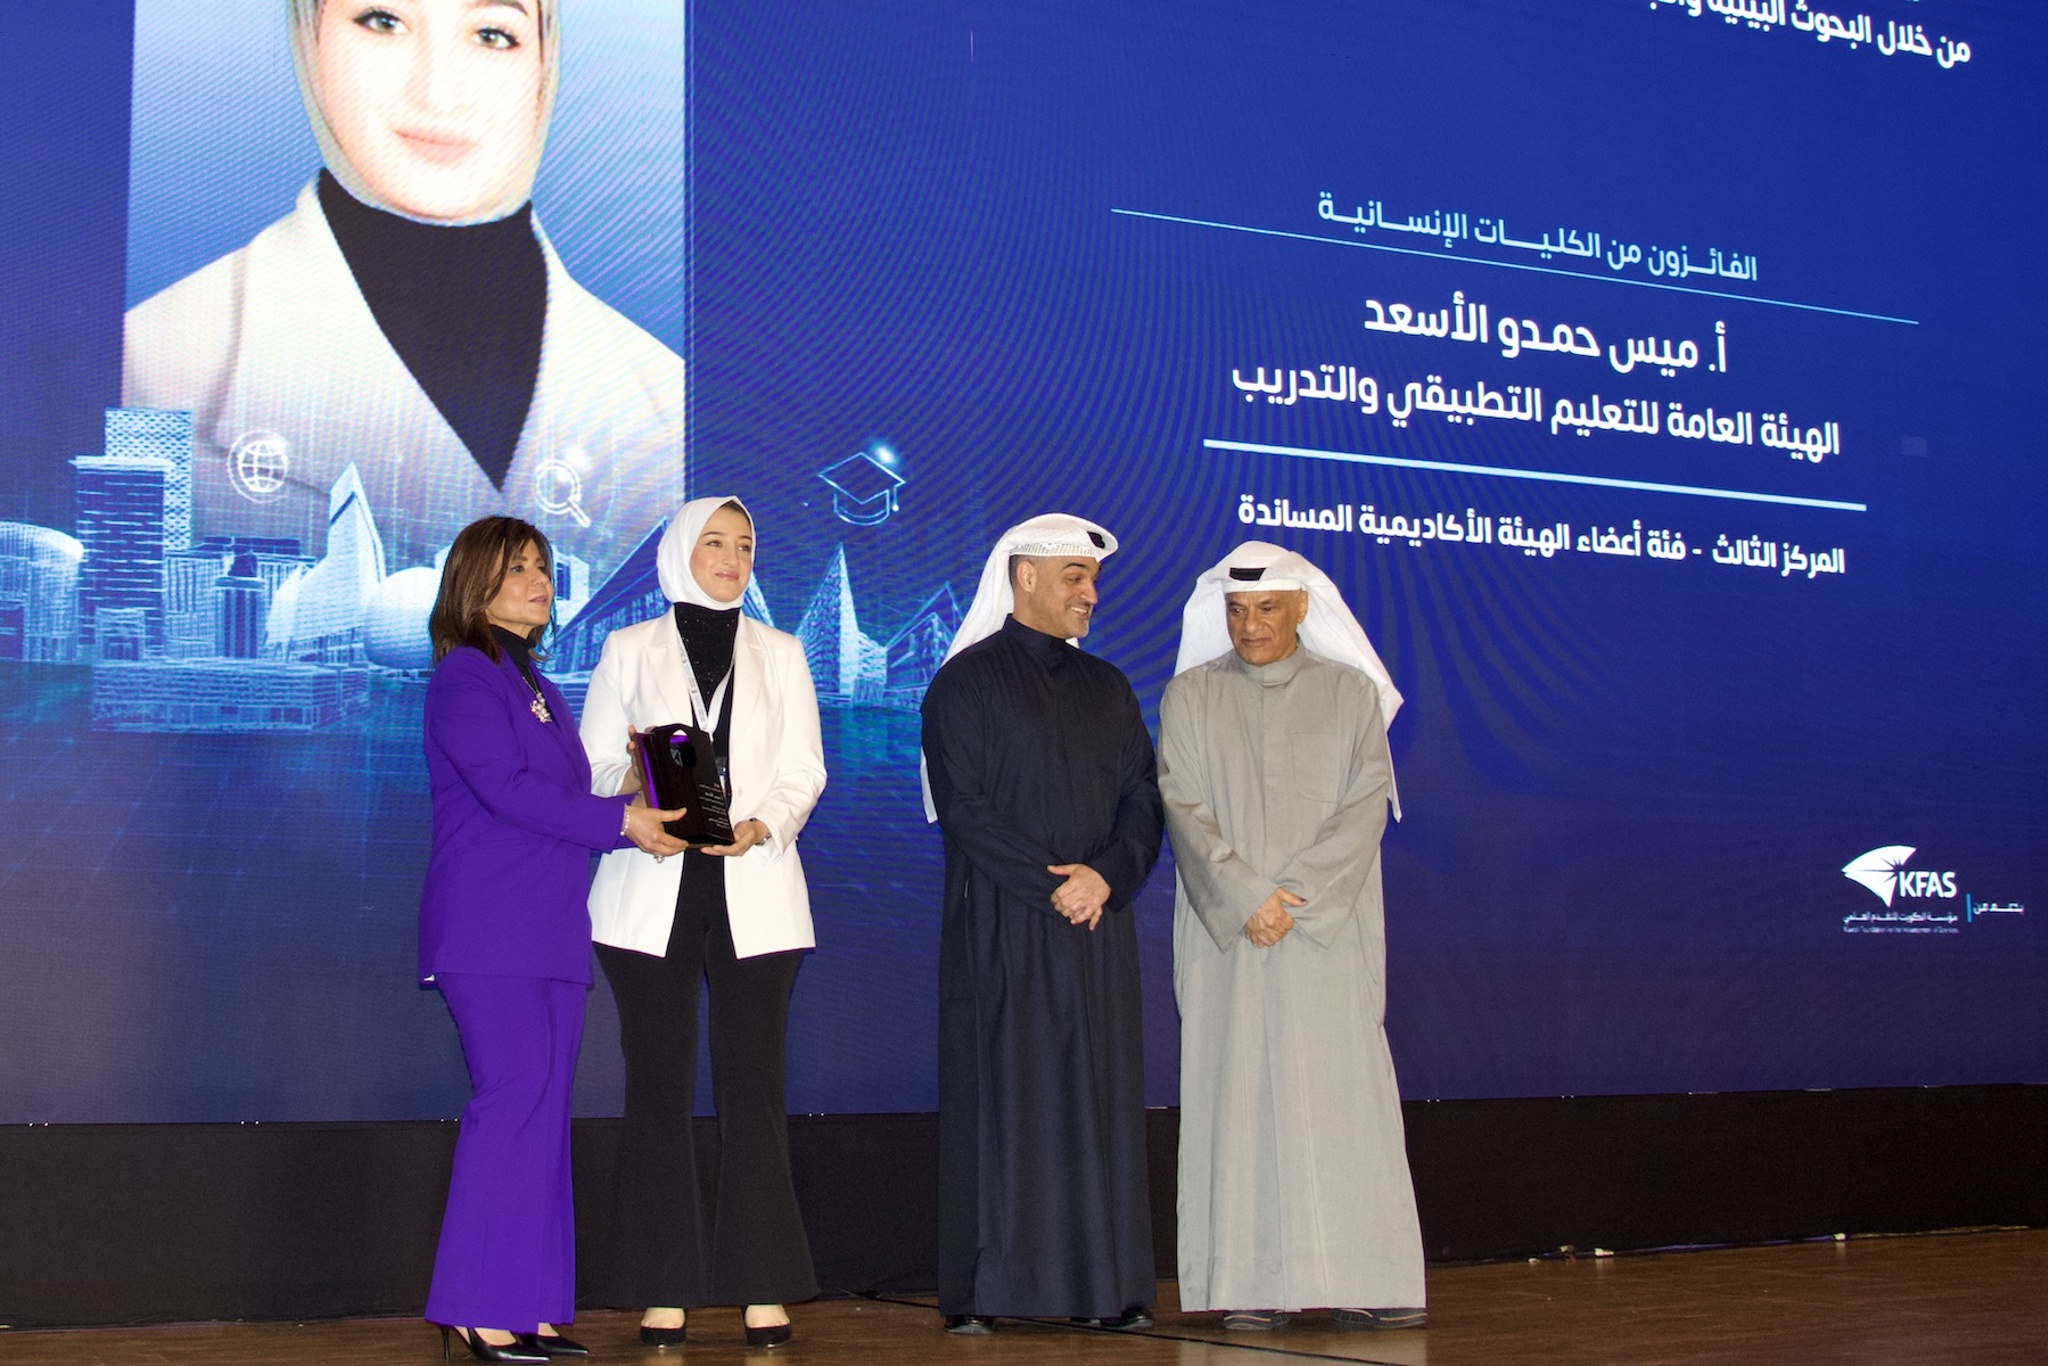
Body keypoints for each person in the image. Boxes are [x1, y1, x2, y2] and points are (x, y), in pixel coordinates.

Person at [124, 0, 685, 584]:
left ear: (544, 61)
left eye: (492, 34)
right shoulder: (151, 365)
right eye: (382, 21)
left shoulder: (671, 402)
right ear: (309, 35)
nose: (438, 94)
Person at [419, 515, 687, 1362]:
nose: (539, 581)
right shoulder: (465, 675)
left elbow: (569, 798)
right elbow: (506, 790)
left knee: (539, 1118)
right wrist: (623, 822)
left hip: (548, 930)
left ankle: (528, 1307)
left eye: (542, 566)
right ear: (474, 584)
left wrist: (645, 789)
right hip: (490, 929)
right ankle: (475, 1307)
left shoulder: (534, 682)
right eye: (517, 569)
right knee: (511, 1103)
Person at [1159, 541, 1426, 1332]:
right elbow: (1183, 806)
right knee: (1233, 1093)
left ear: (1302, 607)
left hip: (1325, 933)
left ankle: (1363, 1277)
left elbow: (1365, 806)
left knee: (1340, 1096)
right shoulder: (1190, 696)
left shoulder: (1350, 694)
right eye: (1237, 611)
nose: (1249, 626)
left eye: (1267, 609)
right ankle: (1245, 1284)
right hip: (1229, 935)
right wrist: (1248, 897)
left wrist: (1294, 900)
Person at [578, 497, 826, 1349]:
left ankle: (764, 1282)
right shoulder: (626, 647)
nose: (731, 557)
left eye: (745, 545)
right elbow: (594, 767)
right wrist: (638, 779)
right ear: (681, 550)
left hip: (756, 887)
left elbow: (804, 770)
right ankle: (663, 1282)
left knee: (755, 1086)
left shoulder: (783, 651)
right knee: (658, 1084)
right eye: (714, 542)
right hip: (649, 893)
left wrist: (762, 825)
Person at [918, 513, 1165, 1334]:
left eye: (1093, 580)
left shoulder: (1110, 687)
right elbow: (964, 807)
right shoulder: (963, 683)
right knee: (1005, 1101)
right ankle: (988, 1293)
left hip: (1095, 923)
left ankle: (1107, 1292)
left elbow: (1143, 797)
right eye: (1074, 577)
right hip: (1002, 923)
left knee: (1098, 1099)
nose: (1089, 593)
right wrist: (1049, 884)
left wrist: (1105, 876)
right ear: (1025, 577)